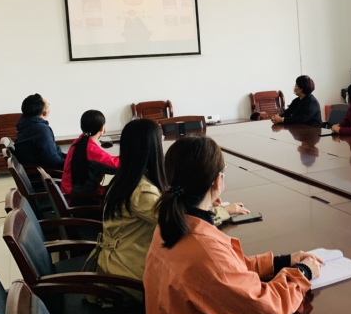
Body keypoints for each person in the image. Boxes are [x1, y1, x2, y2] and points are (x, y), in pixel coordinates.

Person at [144, 136, 340, 314]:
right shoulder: (202, 246)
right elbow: (263, 306)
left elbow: (224, 275)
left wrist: (281, 262)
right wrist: (302, 272)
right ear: (216, 182)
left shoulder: (171, 223)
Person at [94, 119, 251, 285]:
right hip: (127, 275)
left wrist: (203, 201)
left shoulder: (130, 178)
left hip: (124, 259)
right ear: (152, 147)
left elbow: (170, 205)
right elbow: (181, 221)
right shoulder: (141, 191)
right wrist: (224, 211)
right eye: (161, 140)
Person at [61, 110, 120, 199]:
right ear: (101, 128)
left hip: (71, 192)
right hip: (79, 198)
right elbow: (116, 166)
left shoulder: (79, 142)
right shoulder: (90, 149)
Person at [14, 93, 66, 169]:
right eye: (48, 105)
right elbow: (53, 161)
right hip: (45, 173)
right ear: (44, 112)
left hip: (39, 169)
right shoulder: (41, 130)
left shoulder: (27, 125)